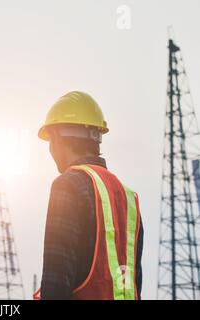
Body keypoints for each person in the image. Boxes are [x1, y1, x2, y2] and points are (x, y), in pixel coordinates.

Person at [36, 91, 143, 300]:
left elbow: (55, 279)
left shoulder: (68, 185)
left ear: (57, 137)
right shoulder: (129, 197)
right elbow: (134, 282)